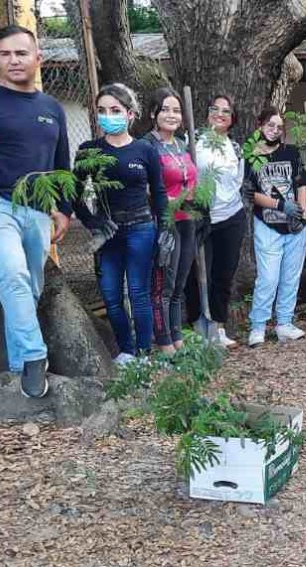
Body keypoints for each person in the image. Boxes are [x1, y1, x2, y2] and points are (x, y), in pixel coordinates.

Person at [0, 25, 72, 398]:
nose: (14, 60)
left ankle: (19, 366)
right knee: (13, 271)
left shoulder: (52, 108)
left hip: (36, 211)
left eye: (21, 53)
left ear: (38, 58)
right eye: (6, 54)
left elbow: (61, 165)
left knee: (28, 286)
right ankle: (36, 357)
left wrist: (63, 210)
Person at [72, 83, 164, 366]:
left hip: (140, 228)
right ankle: (125, 351)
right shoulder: (88, 150)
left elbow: (158, 192)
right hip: (107, 233)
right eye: (101, 111)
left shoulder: (145, 150)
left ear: (130, 114)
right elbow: (74, 192)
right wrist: (93, 222)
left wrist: (165, 229)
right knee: (111, 295)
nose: (107, 116)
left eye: (115, 110)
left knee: (138, 292)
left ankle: (143, 353)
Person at [245, 108, 306, 346]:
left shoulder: (292, 153)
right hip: (268, 223)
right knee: (268, 278)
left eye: (278, 127)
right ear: (260, 125)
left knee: (290, 276)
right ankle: (258, 325)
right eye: (269, 125)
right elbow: (252, 195)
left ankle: (284, 322)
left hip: (295, 227)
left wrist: (301, 214)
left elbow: (302, 184)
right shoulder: (251, 157)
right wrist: (281, 205)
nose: (274, 130)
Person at [144, 88, 198, 355]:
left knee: (179, 285)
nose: (171, 115)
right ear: (154, 112)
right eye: (165, 109)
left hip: (187, 220)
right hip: (164, 222)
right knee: (162, 287)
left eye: (176, 110)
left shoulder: (182, 144)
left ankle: (178, 337)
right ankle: (164, 341)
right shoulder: (148, 146)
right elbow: (146, 190)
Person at [192, 94, 247, 349]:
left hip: (231, 216)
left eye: (226, 111)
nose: (220, 114)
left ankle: (219, 327)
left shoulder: (235, 148)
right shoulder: (194, 142)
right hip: (201, 217)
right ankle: (197, 327)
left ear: (231, 119)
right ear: (207, 114)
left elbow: (238, 181)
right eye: (215, 109)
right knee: (198, 274)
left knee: (223, 274)